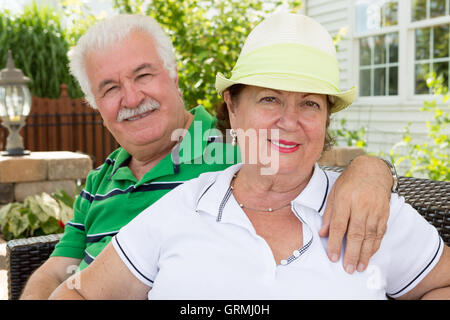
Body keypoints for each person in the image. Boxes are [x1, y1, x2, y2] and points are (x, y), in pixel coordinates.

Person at [21, 14, 396, 300]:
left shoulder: (237, 148)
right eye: (110, 88)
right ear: (95, 106)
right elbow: (55, 274)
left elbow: (302, 169)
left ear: (173, 74)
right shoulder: (101, 179)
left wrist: (372, 169)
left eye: (143, 75)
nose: (132, 98)